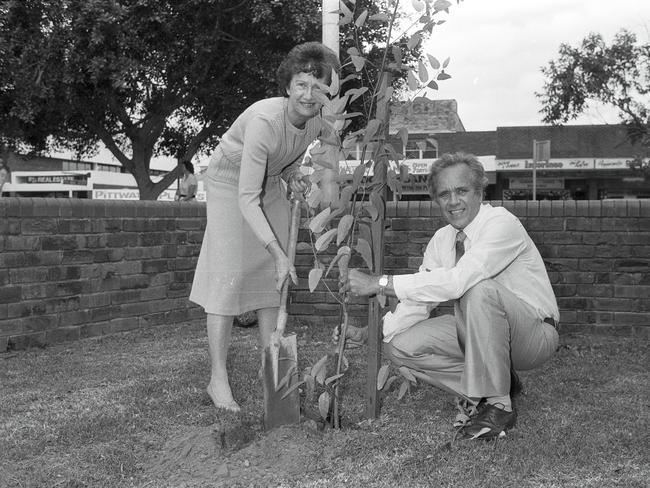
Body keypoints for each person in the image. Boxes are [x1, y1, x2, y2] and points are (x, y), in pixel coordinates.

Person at [338, 152, 559, 440]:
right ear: (436, 200)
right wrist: (370, 333)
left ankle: (499, 408)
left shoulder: (502, 223)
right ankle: (497, 385)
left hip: (534, 333)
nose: (453, 201)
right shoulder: (442, 240)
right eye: (444, 194)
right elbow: (418, 302)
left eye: (462, 190)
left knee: (477, 289)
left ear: (480, 191)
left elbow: (458, 282)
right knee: (400, 346)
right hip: (483, 332)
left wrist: (380, 283)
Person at [189, 42, 340, 413]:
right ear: (287, 87)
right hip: (229, 182)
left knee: (277, 277)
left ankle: (270, 369)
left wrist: (294, 176)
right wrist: (275, 252)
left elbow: (284, 159)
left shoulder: (318, 124)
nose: (308, 94)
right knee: (229, 274)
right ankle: (217, 379)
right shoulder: (263, 121)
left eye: (317, 86)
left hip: (268, 180)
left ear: (326, 92)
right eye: (301, 84)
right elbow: (246, 197)